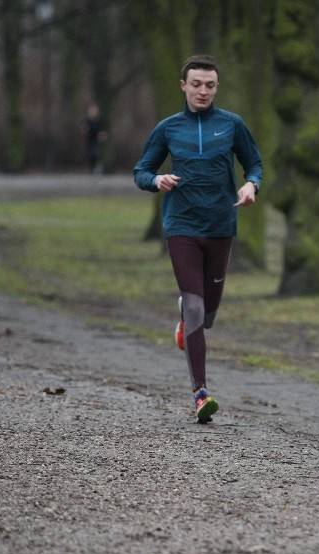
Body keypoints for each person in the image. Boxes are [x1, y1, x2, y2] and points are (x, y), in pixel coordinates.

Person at [133, 54, 264, 424]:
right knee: (193, 306)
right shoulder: (168, 128)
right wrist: (156, 180)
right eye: (196, 84)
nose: (202, 91)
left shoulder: (232, 125)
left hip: (221, 225)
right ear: (183, 86)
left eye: (209, 85)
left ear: (216, 87)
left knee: (206, 315)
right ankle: (200, 393)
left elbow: (254, 163)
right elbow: (141, 170)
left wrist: (252, 184)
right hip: (182, 226)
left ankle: (186, 325)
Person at [82, 103, 107, 174]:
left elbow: (103, 131)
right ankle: (92, 169)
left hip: (97, 140)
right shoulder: (86, 120)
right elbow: (83, 129)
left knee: (96, 154)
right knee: (90, 155)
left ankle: (98, 167)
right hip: (89, 140)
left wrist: (102, 136)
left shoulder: (99, 120)